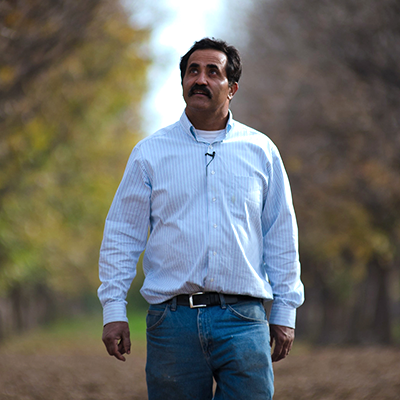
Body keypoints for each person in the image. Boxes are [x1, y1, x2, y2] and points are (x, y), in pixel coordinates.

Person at [98, 38, 304, 400]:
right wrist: (114, 308)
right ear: (182, 83)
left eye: (213, 72)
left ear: (232, 88)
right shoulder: (149, 154)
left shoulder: (262, 152)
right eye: (193, 70)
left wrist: (285, 310)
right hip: (171, 323)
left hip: (244, 321)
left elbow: (281, 234)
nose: (200, 79)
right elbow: (122, 235)